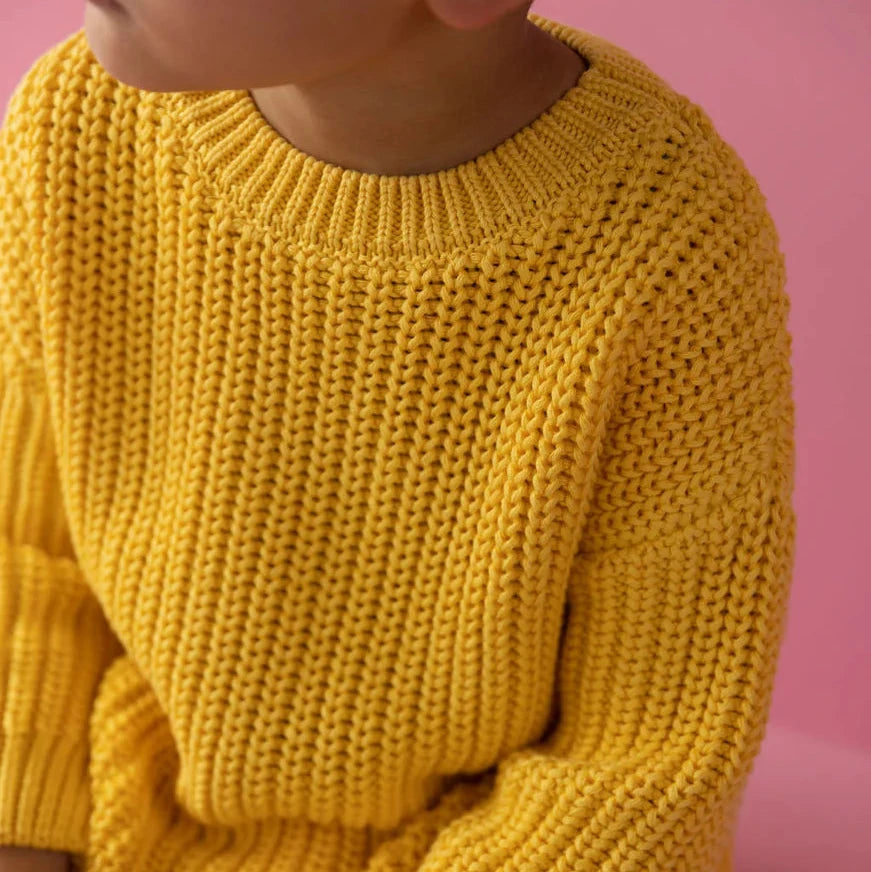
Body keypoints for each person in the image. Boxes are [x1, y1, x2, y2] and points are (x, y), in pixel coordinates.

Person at [0, 1, 795, 871]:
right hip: (114, 825)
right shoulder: (75, 130)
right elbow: (24, 558)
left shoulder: (670, 249)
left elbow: (647, 758)